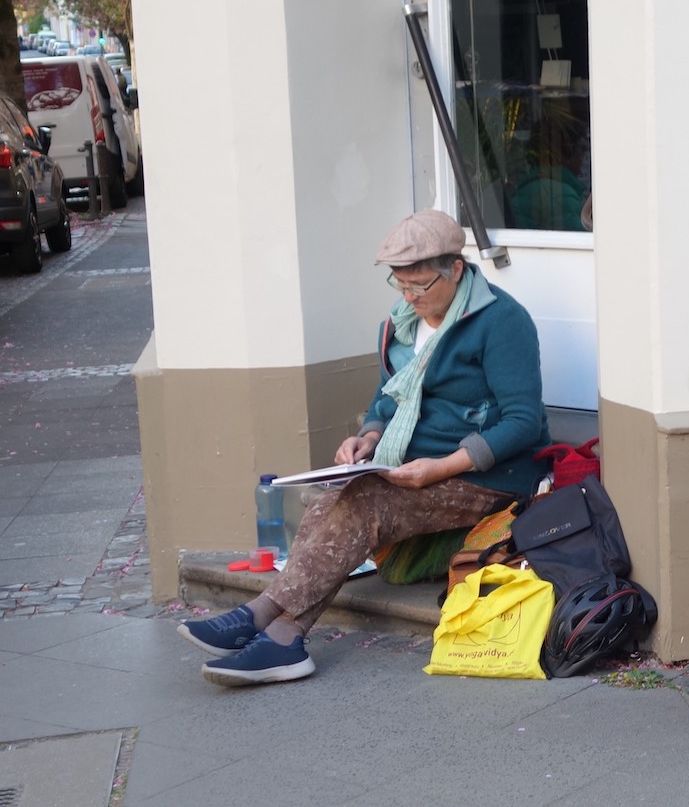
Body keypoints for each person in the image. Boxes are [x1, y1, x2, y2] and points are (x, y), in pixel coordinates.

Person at [177, 209, 551, 686]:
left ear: (456, 269)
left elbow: (522, 421)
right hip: (410, 464)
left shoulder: (501, 321)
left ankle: (265, 619)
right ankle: (283, 638)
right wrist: (369, 437)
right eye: (401, 285)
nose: (410, 297)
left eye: (420, 285)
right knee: (327, 502)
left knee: (364, 504)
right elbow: (386, 397)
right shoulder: (401, 323)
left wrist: (439, 468)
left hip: (487, 477)